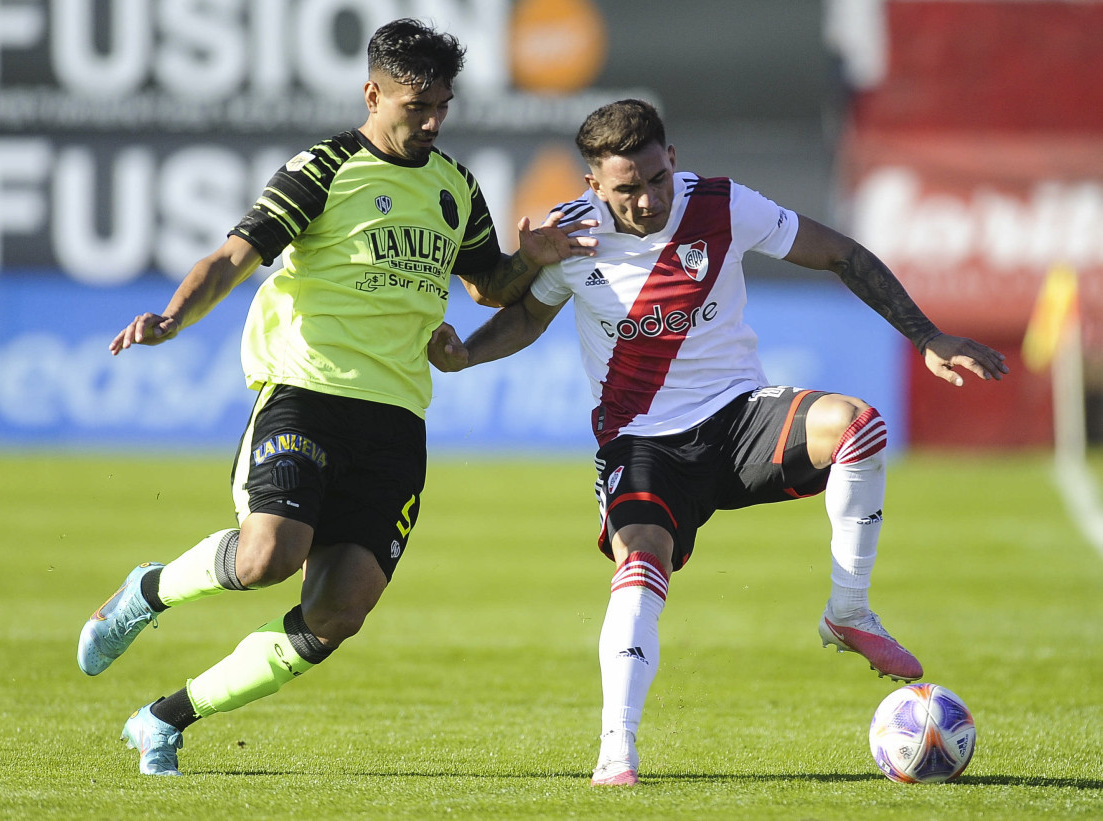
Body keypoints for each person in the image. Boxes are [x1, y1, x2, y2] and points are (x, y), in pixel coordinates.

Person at [428, 99, 1008, 786]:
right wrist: (464, 352)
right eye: (626, 188)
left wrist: (926, 335)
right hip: (641, 443)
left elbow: (841, 253)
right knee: (641, 562)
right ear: (593, 187)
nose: (647, 199)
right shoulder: (573, 237)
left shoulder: (723, 204)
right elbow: (524, 318)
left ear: (671, 159)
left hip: (738, 419)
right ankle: (618, 746)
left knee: (859, 424)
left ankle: (848, 610)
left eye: (655, 179)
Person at [76, 18, 597, 777]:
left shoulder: (455, 186)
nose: (432, 120)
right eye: (417, 105)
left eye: (442, 105)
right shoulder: (323, 168)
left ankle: (164, 718)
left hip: (395, 420)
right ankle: (145, 592)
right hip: (306, 391)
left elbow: (490, 285)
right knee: (265, 558)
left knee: (337, 612)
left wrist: (532, 257)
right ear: (372, 92)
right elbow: (233, 254)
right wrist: (174, 316)